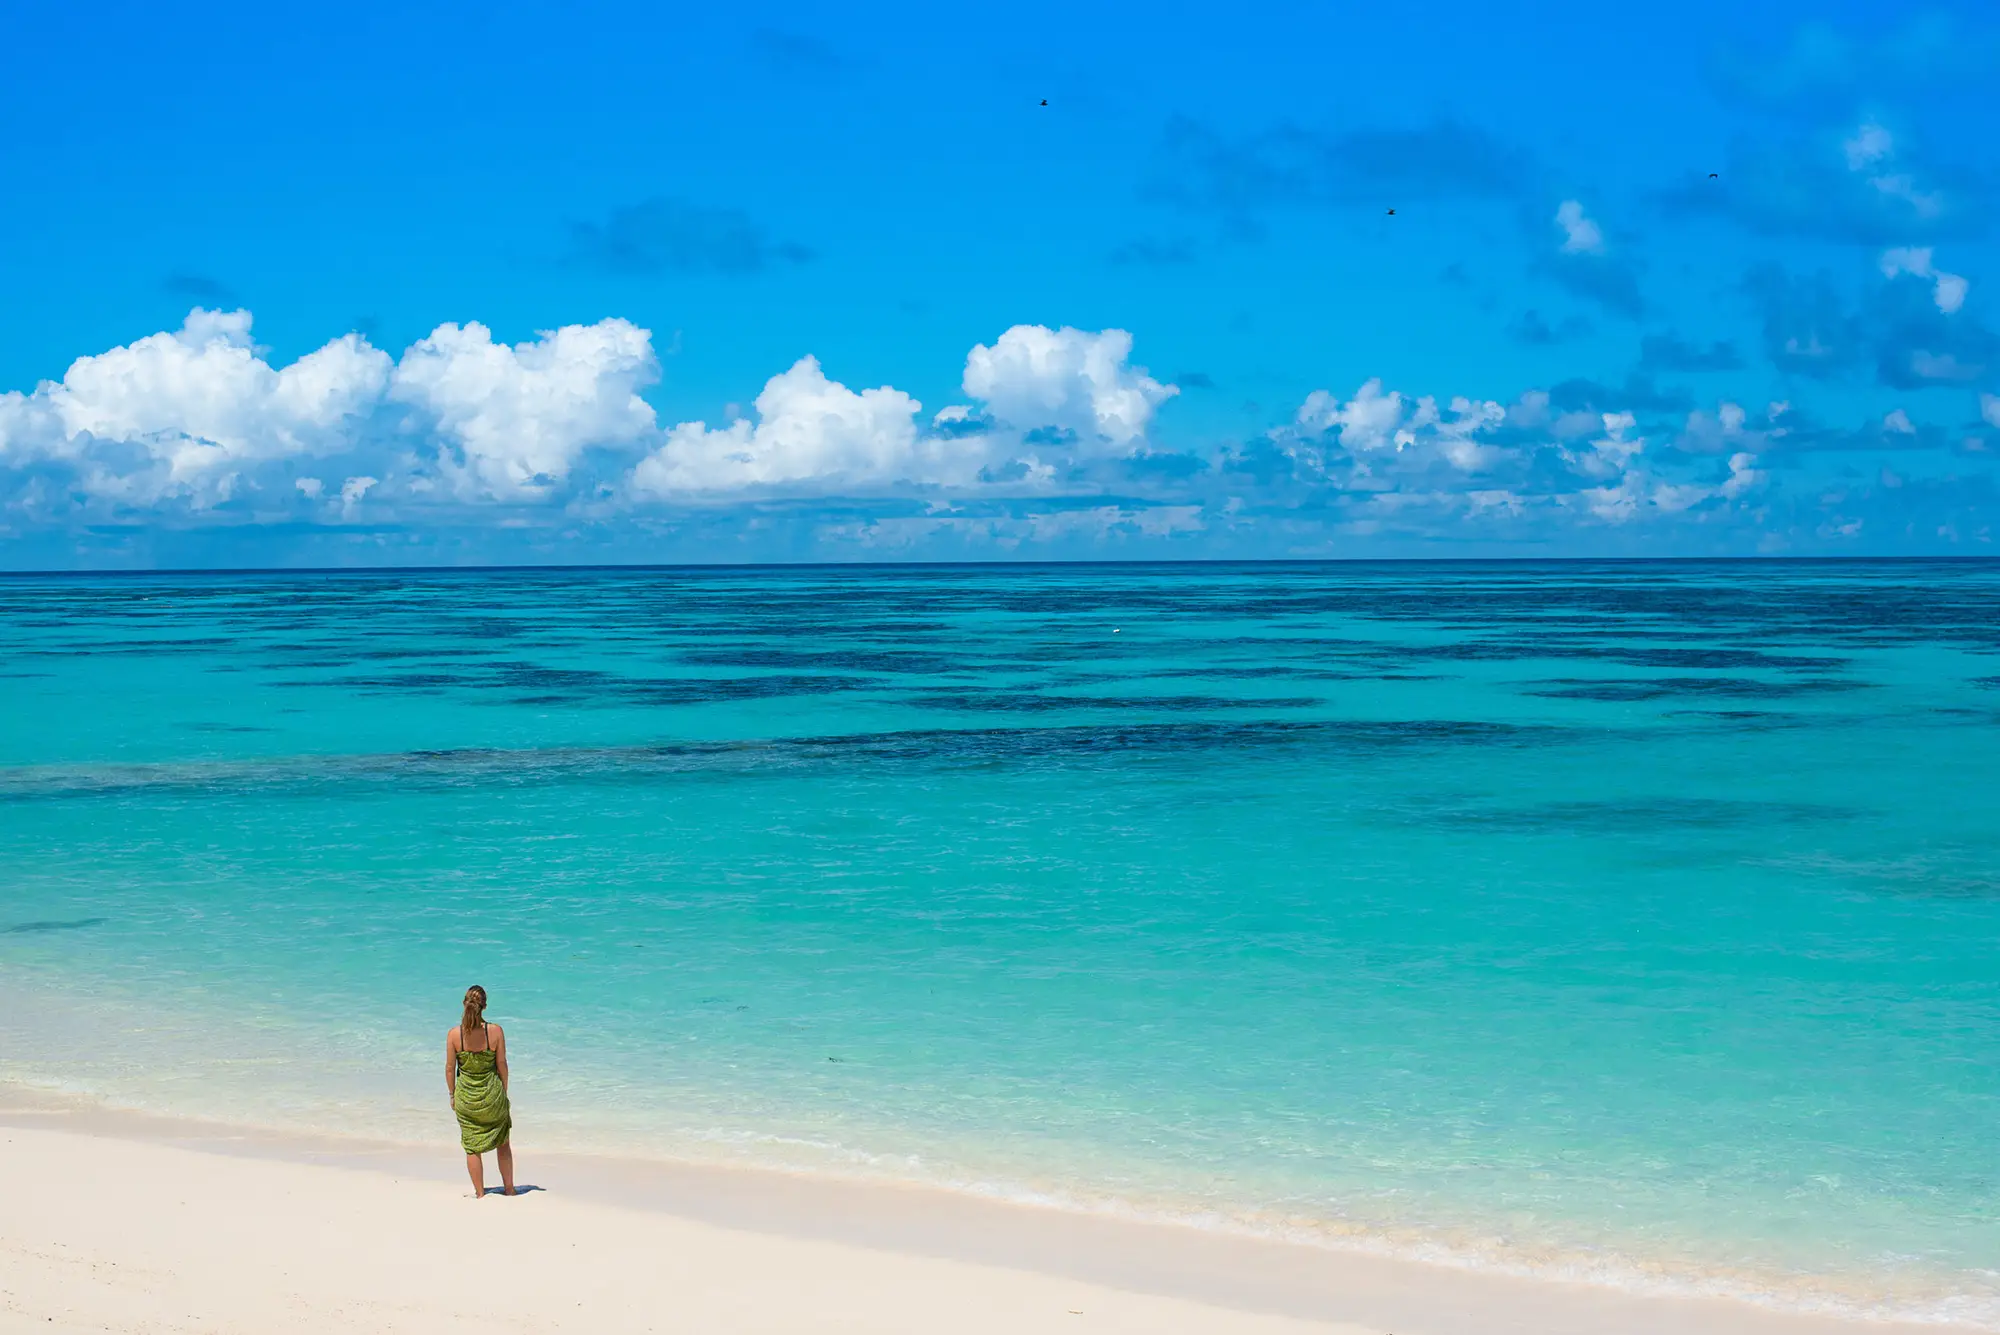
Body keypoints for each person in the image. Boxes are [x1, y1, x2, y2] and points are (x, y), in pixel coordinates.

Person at [446, 984, 515, 1197]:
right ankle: (510, 1190)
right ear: (484, 1006)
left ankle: (479, 1193)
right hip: (492, 1096)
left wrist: (452, 1094)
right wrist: (502, 1091)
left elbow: (450, 1069)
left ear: (464, 1003)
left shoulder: (454, 1035)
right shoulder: (495, 1032)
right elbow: (502, 1064)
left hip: (466, 1098)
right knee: (502, 1143)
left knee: (471, 1147)